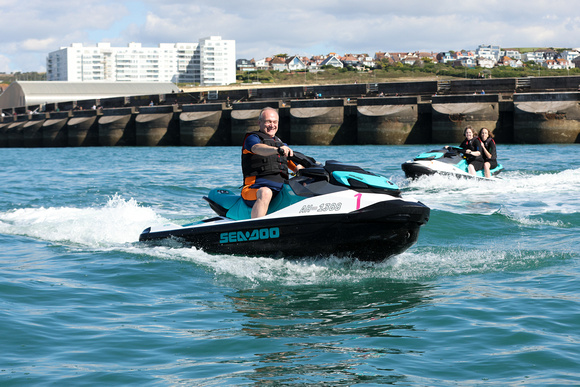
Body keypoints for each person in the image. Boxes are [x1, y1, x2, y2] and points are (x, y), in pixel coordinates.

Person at [241, 107, 303, 218]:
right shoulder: (252, 138)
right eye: (268, 121)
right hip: (254, 189)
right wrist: (276, 150)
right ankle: (256, 228)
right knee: (266, 192)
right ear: (259, 122)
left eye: (274, 122)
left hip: (281, 189)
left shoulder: (281, 144)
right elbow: (256, 148)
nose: (272, 125)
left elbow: (297, 167)